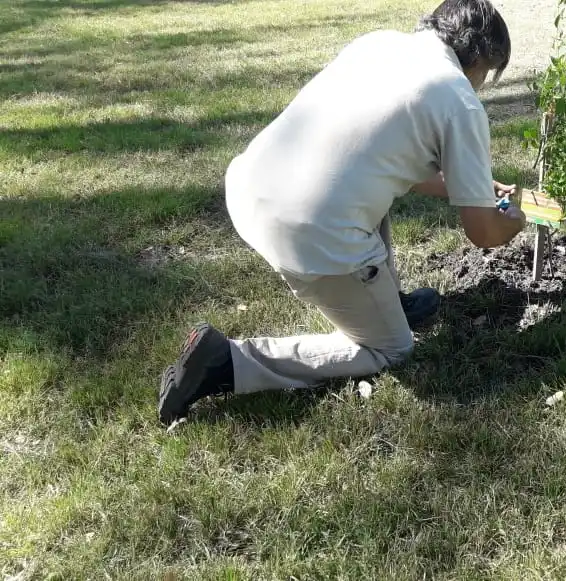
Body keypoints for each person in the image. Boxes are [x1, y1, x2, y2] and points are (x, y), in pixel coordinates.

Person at [157, 0, 526, 425]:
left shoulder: (379, 43)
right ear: (479, 58)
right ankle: (227, 361)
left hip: (251, 190)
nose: (481, 84)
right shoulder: (458, 98)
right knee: (390, 350)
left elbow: (377, 159)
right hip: (308, 229)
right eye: (487, 75)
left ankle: (385, 301)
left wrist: (470, 189)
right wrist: (512, 221)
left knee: (360, 188)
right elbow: (483, 233)